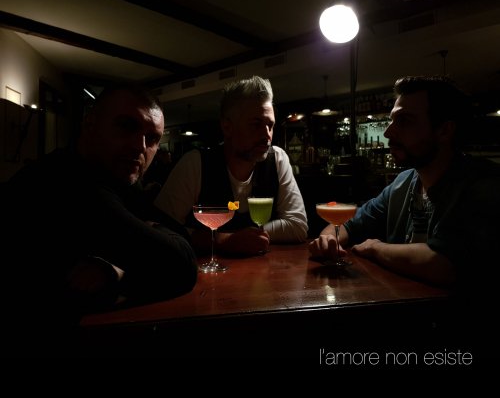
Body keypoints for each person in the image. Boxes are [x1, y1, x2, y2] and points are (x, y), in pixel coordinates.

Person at [1, 85, 198, 356]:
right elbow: (180, 265)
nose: (140, 147)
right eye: (126, 126)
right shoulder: (66, 183)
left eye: (152, 138)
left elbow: (181, 239)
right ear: (90, 123)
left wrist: (114, 268)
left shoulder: (119, 182)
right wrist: (129, 264)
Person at [309, 75, 500, 291]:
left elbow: (443, 264)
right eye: (392, 120)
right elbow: (350, 224)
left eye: (405, 121)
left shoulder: (485, 185)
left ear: (444, 130)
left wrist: (376, 248)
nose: (388, 132)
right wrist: (329, 240)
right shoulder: (404, 182)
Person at [154, 75, 308, 256]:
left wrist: (249, 236)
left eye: (270, 125)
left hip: (265, 271)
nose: (267, 135)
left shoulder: (277, 159)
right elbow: (158, 228)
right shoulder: (195, 163)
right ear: (227, 127)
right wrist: (224, 240)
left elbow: (298, 226)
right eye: (256, 124)